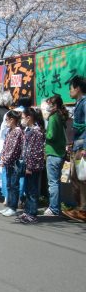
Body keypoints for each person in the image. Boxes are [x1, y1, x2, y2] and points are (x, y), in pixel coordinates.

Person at [15, 108, 45, 224]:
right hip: (29, 164)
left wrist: (29, 167)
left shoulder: (36, 132)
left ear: (29, 118)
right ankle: (27, 211)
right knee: (28, 189)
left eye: (23, 117)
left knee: (32, 190)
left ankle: (32, 213)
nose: (22, 120)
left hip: (33, 166)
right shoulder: (30, 130)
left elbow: (35, 152)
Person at [62, 76, 86, 222]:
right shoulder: (79, 103)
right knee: (76, 177)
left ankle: (83, 210)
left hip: (82, 146)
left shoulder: (84, 103)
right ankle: (79, 207)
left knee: (82, 178)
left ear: (77, 88)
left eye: (70, 88)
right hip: (77, 144)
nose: (69, 91)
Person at [0, 110, 24, 217]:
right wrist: (2, 155)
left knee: (14, 185)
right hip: (9, 161)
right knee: (9, 184)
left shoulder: (18, 131)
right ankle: (9, 205)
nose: (6, 122)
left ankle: (13, 207)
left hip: (15, 162)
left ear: (12, 120)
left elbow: (14, 149)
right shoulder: (10, 130)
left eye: (7, 120)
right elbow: (5, 145)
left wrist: (5, 160)